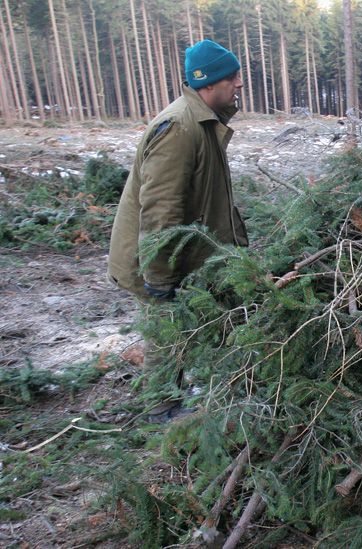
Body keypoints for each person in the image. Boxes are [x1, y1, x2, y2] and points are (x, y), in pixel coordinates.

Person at [108, 39, 249, 420]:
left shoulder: (203, 122)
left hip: (180, 256)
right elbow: (161, 210)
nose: (239, 84)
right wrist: (160, 278)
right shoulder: (180, 128)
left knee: (182, 329)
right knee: (166, 332)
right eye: (233, 77)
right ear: (211, 82)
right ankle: (163, 410)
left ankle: (183, 395)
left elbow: (208, 198)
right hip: (158, 260)